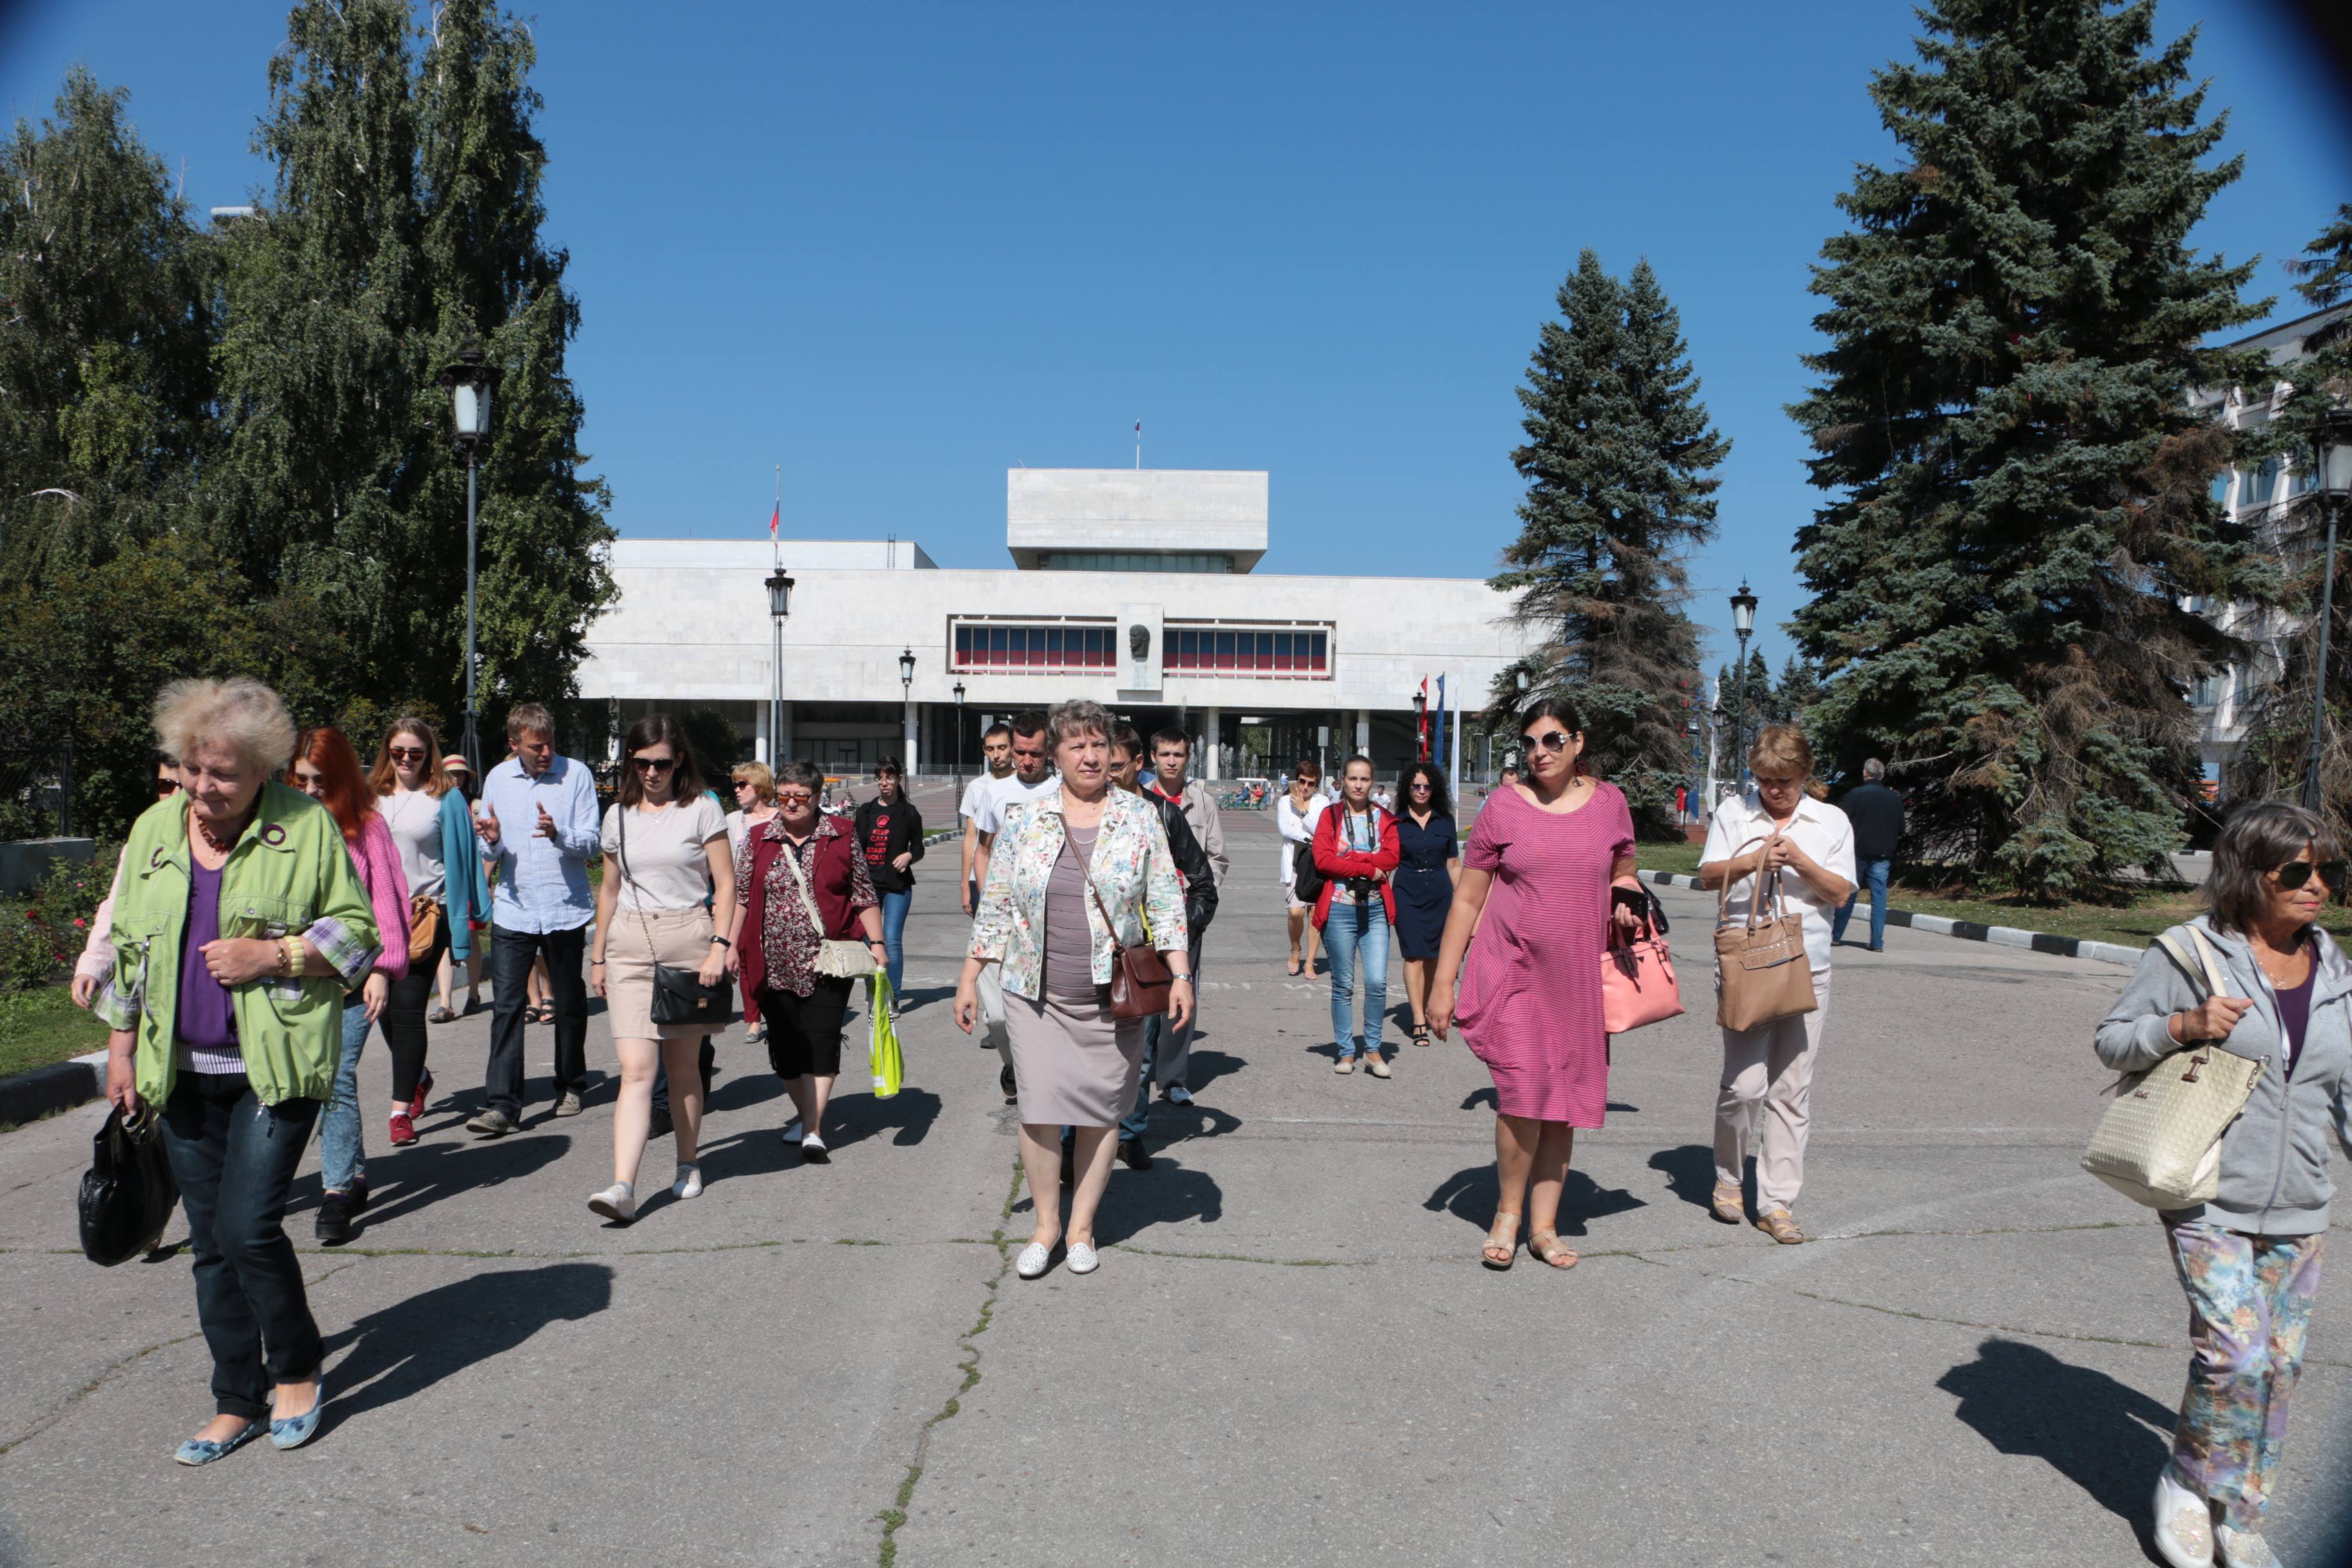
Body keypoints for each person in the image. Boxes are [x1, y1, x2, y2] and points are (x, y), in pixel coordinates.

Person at [97, 678, 378, 1463]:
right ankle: (235, 1398)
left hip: (276, 1061)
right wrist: (121, 1047)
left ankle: (295, 1365)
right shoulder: (155, 828)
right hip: (178, 1068)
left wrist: (276, 954)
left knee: (248, 1225)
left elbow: (360, 937)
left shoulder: (307, 827)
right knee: (210, 1243)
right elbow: (131, 948)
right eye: (192, 768)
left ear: (264, 770)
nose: (202, 786)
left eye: (222, 772)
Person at [2095, 801, 2352, 1568]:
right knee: (2235, 1352)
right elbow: (2113, 1040)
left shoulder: (2337, 969)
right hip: (2207, 1190)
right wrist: (2183, 1026)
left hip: (2303, 1201)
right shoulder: (2188, 952)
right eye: (2298, 872)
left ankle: (2240, 1510)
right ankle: (2187, 1479)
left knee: (2278, 1364)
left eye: (2329, 871)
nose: (2318, 887)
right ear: (2248, 874)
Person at [956, 700, 1191, 1280]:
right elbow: (1000, 900)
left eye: (1098, 744)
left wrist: (1181, 973)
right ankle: (1046, 1227)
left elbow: (1164, 900)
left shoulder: (1139, 818)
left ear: (1113, 752)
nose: (1089, 755)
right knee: (1037, 1110)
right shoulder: (1027, 819)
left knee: (1099, 1112)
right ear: (1056, 755)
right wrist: (969, 974)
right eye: (1076, 745)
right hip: (1035, 992)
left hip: (1112, 999)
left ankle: (1082, 1228)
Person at [1427, 700, 1641, 1269]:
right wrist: (1442, 984)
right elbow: (1469, 898)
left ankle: (1545, 1228)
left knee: (1562, 1103)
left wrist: (1627, 903)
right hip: (1515, 972)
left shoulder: (1609, 804)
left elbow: (1624, 869)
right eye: (1529, 742)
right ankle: (1508, 1214)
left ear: (1578, 743)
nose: (1538, 753)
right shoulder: (1503, 807)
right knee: (1523, 1096)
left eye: (1551, 741)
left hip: (1578, 980)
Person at [1698, 725, 1855, 1245]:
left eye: (1785, 780)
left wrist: (1800, 861)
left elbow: (1838, 893)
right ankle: (1728, 1176)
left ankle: (1777, 1201)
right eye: (1765, 779)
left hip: (1807, 965)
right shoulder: (1734, 813)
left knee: (1792, 1090)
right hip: (1747, 963)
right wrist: (1754, 858)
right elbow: (1707, 876)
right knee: (1744, 1085)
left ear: (1805, 775)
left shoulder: (1830, 820)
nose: (1775, 789)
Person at [584, 715, 737, 1224]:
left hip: (688, 941)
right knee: (635, 1071)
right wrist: (599, 953)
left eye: (663, 763)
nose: (652, 772)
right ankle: (623, 1186)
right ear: (631, 762)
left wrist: (719, 947)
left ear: (679, 763)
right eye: (643, 762)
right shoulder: (618, 816)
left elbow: (726, 885)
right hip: (629, 944)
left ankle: (688, 1160)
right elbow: (608, 889)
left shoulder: (701, 811)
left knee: (681, 1069)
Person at [289, 727, 411, 1246]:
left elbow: (389, 900)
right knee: (312, 1080)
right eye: (301, 779)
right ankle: (355, 1175)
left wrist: (384, 968)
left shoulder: (367, 827)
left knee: (335, 1078)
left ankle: (336, 1191)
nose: (311, 790)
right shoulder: (281, 828)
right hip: (295, 975)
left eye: (321, 780)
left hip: (355, 980)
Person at [731, 759, 887, 1161]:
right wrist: (729, 944)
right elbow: (743, 897)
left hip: (828, 959)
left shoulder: (841, 833)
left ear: (818, 797)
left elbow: (862, 892)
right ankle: (807, 1115)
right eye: (784, 796)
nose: (792, 803)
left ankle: (814, 1129)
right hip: (772, 960)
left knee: (821, 1038)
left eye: (801, 796)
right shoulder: (758, 837)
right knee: (785, 1047)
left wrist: (879, 942)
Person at [472, 703, 600, 1136]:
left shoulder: (576, 775)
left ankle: (570, 1083)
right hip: (515, 907)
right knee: (507, 1005)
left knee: (568, 1003)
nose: (545, 752)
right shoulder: (497, 779)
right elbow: (491, 850)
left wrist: (558, 835)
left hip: (565, 908)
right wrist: (490, 841)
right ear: (514, 745)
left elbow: (592, 844)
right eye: (535, 746)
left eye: (549, 743)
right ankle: (503, 1104)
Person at [368, 719, 487, 1147]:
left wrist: (474, 911)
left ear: (428, 755)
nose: (406, 760)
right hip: (375, 918)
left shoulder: (445, 799)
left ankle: (400, 1112)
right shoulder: (371, 797)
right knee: (379, 1007)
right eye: (398, 752)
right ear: (387, 752)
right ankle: (418, 1075)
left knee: (408, 1009)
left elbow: (465, 857)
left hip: (423, 917)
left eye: (415, 753)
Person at [1106, 725, 1216, 1169]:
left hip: (1143, 958)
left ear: (1138, 765)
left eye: (1115, 765)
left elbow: (1204, 885)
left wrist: (1173, 940)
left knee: (1143, 1049)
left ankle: (1131, 1134)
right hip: (1087, 954)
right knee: (1084, 1050)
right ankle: (1073, 1141)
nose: (1104, 774)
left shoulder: (1164, 814)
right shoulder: (1080, 812)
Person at [971, 712, 1058, 1101]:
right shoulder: (995, 793)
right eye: (1020, 752)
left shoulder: (1061, 790)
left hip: (1048, 919)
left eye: (1035, 754)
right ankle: (1012, 1062)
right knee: (998, 1015)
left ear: (1049, 751)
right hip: (1002, 915)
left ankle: (1040, 1079)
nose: (1026, 761)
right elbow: (983, 849)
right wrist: (986, 898)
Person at [1142, 727, 1228, 1105]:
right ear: (1153, 757)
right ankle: (1137, 1071)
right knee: (1141, 993)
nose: (1172, 761)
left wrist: (1200, 904)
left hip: (1185, 912)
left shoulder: (1202, 803)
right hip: (1143, 914)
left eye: (1178, 754)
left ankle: (1173, 1077)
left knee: (1182, 991)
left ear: (1187, 758)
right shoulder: (1140, 800)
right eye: (1165, 755)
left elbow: (1217, 857)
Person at [1313, 756, 1400, 1077]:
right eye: (1353, 779)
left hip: (1375, 908)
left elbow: (1392, 858)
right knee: (1344, 984)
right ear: (1343, 781)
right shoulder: (1331, 816)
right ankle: (1346, 1051)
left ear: (1373, 782)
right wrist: (1367, 866)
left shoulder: (1385, 818)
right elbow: (1323, 861)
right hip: (1339, 907)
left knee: (1377, 982)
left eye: (1364, 779)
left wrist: (1349, 857)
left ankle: (1374, 1051)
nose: (1359, 785)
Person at [72, 757, 182, 1010]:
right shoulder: (142, 842)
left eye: (184, 784)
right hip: (152, 981)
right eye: (166, 784)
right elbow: (116, 907)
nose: (175, 792)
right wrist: (93, 966)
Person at [1391, 761, 1460, 1049]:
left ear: (1435, 789)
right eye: (1416, 786)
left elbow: (1454, 864)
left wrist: (1466, 902)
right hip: (1407, 892)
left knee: (1434, 956)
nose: (1421, 791)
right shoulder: (1395, 822)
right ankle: (1418, 1019)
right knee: (1414, 956)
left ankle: (1433, 1005)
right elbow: (1386, 863)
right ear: (1408, 789)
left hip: (1440, 893)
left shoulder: (1445, 820)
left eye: (1427, 786)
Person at [854, 757, 926, 999]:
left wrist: (908, 856)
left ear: (899, 779)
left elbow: (919, 849)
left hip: (897, 885)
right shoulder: (865, 811)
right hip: (868, 887)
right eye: (881, 778)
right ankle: (873, 991)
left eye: (890, 778)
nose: (884, 783)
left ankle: (893, 997)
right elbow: (855, 848)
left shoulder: (909, 813)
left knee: (892, 940)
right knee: (869, 940)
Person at [725, 761, 779, 1043]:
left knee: (773, 959)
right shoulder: (733, 820)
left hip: (775, 901)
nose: (736, 789)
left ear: (759, 786)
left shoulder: (780, 818)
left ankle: (779, 1012)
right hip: (740, 901)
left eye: (742, 784)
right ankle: (753, 1019)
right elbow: (720, 865)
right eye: (735, 784)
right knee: (743, 958)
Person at [432, 753, 487, 1021]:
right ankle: (445, 1001)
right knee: (442, 937)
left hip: (468, 877)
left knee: (472, 936)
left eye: (460, 774)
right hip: (443, 881)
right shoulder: (435, 802)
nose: (455, 778)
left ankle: (474, 993)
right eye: (451, 773)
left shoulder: (477, 806)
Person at [1832, 758, 1904, 952]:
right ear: (1882, 775)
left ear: (1865, 774)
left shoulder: (1855, 795)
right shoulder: (1894, 798)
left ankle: (1836, 936)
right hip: (1883, 854)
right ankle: (1877, 942)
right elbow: (1901, 828)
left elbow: (1843, 824)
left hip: (1857, 852)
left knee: (1850, 893)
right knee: (1879, 898)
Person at [1277, 760, 1328, 977]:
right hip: (1294, 862)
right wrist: (1309, 837)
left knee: (1315, 913)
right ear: (1296, 780)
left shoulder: (1323, 802)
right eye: (1302, 781)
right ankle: (1296, 949)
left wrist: (1304, 811)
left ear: (1317, 786)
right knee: (1296, 913)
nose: (1305, 787)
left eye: (1311, 783)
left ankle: (1311, 962)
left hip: (1317, 863)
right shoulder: (1285, 801)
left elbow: (1323, 829)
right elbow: (1285, 829)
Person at [959, 722, 1015, 915]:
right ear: (984, 750)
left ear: (1012, 747)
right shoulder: (976, 787)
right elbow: (970, 838)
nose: (996, 755)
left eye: (1002, 747)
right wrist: (966, 884)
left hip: (1015, 876)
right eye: (990, 749)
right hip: (981, 877)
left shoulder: (1024, 785)